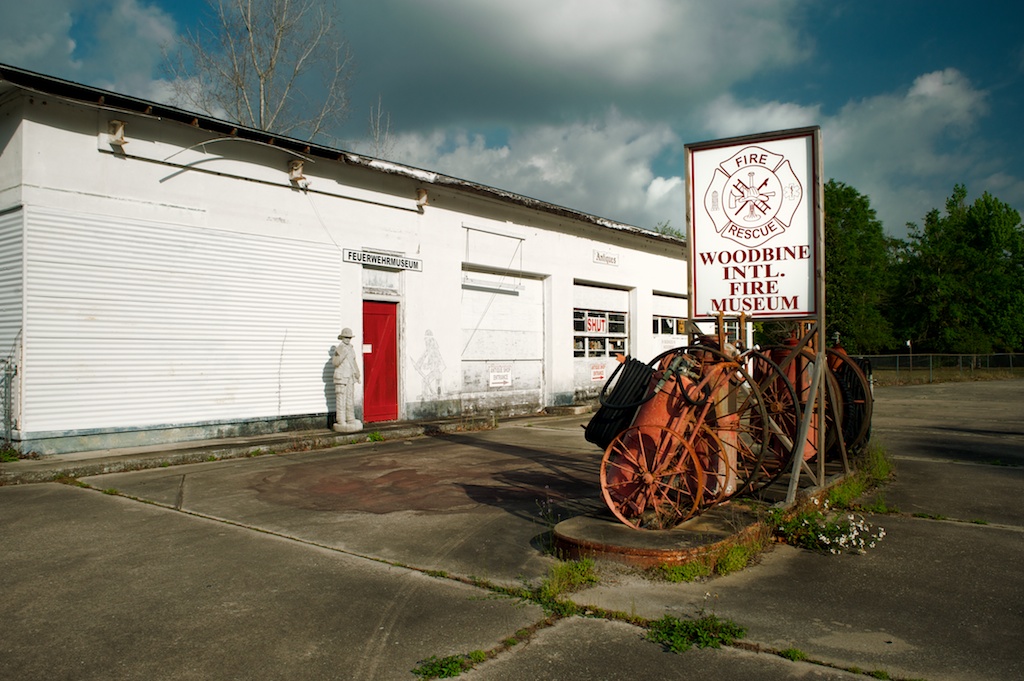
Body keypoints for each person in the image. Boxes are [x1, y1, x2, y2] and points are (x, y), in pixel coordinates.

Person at [332, 327, 362, 432]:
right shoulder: (340, 349)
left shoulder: (351, 348)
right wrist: (342, 356)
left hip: (350, 377)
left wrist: (357, 373)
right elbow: (335, 363)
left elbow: (353, 362)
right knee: (341, 399)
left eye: (349, 337)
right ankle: (341, 420)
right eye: (346, 337)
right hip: (341, 377)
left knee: (350, 398)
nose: (348, 339)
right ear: (342, 338)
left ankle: (350, 418)